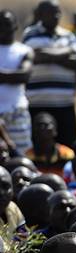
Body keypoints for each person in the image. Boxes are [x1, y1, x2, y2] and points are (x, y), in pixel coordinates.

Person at [22, 0, 76, 147]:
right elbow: (34, 57)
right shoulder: (30, 34)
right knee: (37, 149)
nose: (56, 16)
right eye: (51, 13)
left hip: (65, 104)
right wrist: (65, 53)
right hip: (37, 104)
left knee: (67, 149)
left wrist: (47, 56)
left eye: (58, 12)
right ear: (41, 15)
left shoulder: (68, 36)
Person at [0, 11, 34, 154]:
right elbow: (18, 76)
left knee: (21, 155)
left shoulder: (24, 50)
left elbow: (24, 76)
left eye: (7, 24)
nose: (4, 28)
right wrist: (12, 76)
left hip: (17, 113)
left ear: (15, 26)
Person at [24, 112, 74, 177]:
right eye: (39, 125)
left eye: (46, 125)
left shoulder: (66, 154)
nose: (42, 128)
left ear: (55, 131)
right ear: (33, 131)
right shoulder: (28, 156)